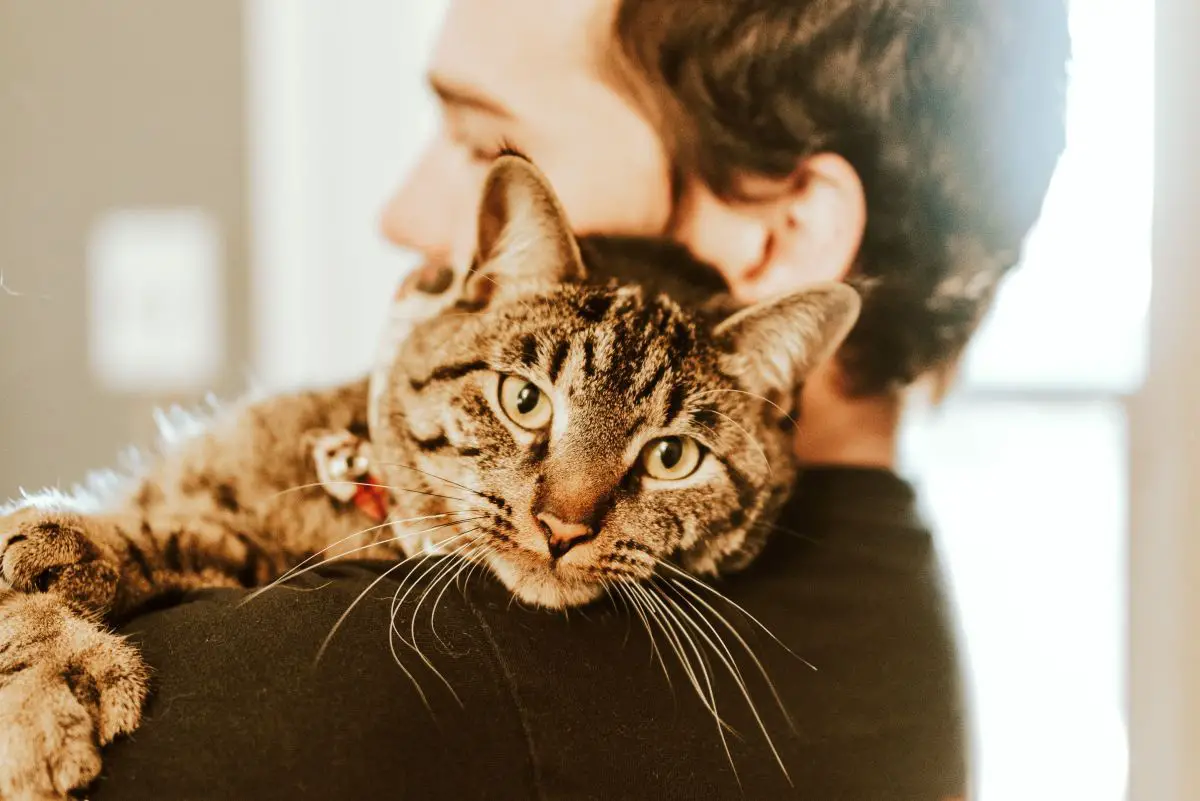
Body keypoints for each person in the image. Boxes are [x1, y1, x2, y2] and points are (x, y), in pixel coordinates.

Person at [92, 1, 1069, 798]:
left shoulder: (386, 680)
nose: (403, 216)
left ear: (784, 236)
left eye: (487, 142)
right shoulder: (890, 618)